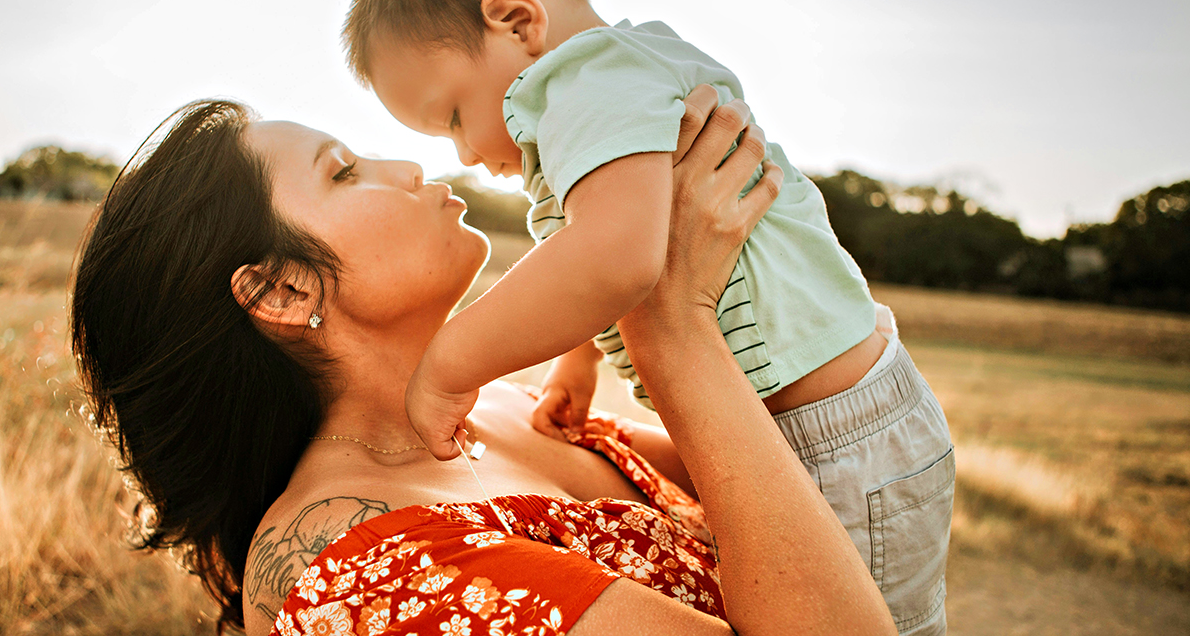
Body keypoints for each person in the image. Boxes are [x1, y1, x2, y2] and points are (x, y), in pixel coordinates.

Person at [70, 89, 899, 635]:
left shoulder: (509, 407)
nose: (407, 166)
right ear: (282, 290)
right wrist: (671, 323)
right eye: (346, 172)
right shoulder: (353, 567)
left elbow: (819, 497)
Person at [342, 0, 953, 633]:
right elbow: (599, 242)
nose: (465, 154)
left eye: (451, 116)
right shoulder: (612, 86)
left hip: (832, 436)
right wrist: (578, 362)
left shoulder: (586, 83)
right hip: (827, 419)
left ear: (516, 21)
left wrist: (451, 363)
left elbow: (615, 256)